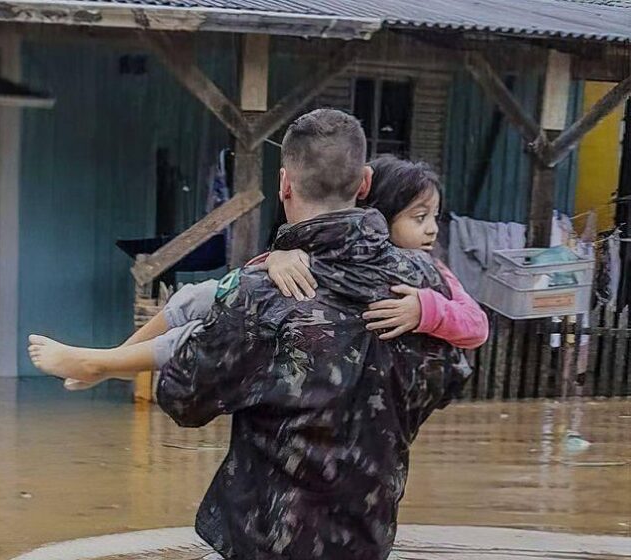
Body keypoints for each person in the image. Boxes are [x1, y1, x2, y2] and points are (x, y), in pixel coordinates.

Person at [35, 108, 470, 560]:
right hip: (369, 536)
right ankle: (101, 362)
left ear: (284, 184)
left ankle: (102, 362)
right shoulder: (425, 279)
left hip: (267, 541)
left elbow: (183, 399)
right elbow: (450, 378)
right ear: (363, 184)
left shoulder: (260, 293)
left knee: (200, 307)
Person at [27, 156, 488, 383]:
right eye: (418, 217)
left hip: (327, 358)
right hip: (307, 340)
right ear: (376, 208)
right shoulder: (328, 245)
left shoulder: (428, 275)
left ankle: (101, 365)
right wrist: (278, 257)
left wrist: (426, 310)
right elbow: (253, 279)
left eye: (433, 218)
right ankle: (111, 362)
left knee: (203, 336)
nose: (430, 230)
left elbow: (477, 326)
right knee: (195, 298)